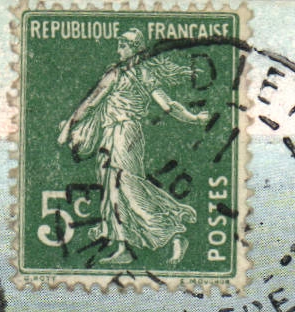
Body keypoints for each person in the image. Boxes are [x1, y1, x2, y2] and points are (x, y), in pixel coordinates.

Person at [56, 27, 210, 265]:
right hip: (113, 134)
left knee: (127, 186)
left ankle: (173, 234)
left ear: (136, 48)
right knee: (112, 189)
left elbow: (167, 105)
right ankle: (122, 248)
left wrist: (194, 118)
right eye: (119, 45)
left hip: (125, 133)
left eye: (124, 45)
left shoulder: (132, 74)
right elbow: (92, 102)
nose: (119, 49)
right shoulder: (128, 73)